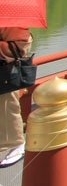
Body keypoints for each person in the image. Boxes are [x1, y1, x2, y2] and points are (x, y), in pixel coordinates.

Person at [0, 26, 32, 167]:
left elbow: (21, 45)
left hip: (4, 71)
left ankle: (17, 144)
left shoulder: (12, 21)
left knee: (7, 105)